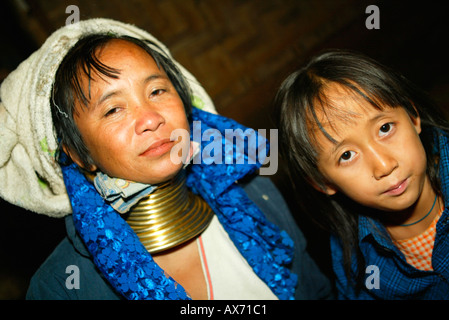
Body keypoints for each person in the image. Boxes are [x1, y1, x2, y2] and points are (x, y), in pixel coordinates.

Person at [0, 18, 332, 300]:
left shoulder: (255, 195)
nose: (151, 118)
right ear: (78, 154)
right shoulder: (63, 286)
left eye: (158, 91)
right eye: (113, 108)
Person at [273, 49, 449, 299]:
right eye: (346, 155)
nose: (384, 166)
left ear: (412, 116)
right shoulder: (353, 261)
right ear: (321, 182)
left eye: (385, 128)